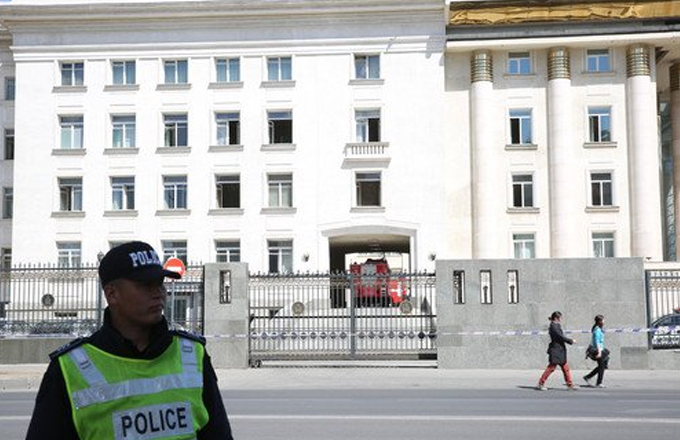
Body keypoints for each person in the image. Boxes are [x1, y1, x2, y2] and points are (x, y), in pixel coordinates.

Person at [25, 241, 234, 440]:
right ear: (112, 294)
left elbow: (218, 434)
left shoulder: (192, 353)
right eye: (145, 285)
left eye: (160, 283)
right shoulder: (69, 368)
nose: (158, 293)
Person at [536, 311, 577, 391]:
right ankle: (540, 383)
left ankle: (570, 384)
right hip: (556, 350)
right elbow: (560, 336)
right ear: (556, 318)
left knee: (565, 368)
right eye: (560, 318)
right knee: (551, 368)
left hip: (559, 350)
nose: (561, 319)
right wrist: (571, 341)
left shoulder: (556, 325)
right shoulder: (553, 326)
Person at [584, 314, 609, 388]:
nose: (604, 321)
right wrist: (599, 352)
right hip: (597, 350)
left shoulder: (599, 329)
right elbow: (597, 342)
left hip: (599, 349)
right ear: (600, 321)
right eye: (603, 320)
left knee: (603, 366)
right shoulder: (597, 330)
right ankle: (599, 383)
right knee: (602, 366)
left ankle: (588, 377)